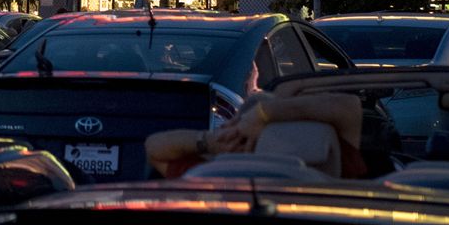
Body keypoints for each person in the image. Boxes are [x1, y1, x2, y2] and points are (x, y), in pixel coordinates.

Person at [145, 92, 366, 179]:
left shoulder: (217, 181)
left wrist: (212, 142)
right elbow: (347, 106)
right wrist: (264, 115)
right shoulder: (342, 176)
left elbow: (154, 149)